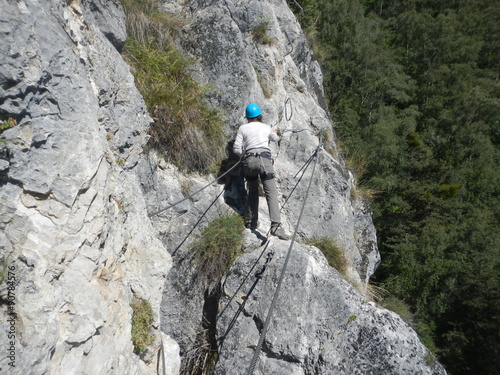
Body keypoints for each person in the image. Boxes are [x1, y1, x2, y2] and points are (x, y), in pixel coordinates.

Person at [233, 103, 288, 240]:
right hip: (265, 161)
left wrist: (246, 154)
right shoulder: (266, 127)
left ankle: (252, 222)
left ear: (247, 117)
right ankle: (275, 226)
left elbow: (236, 149)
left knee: (252, 191)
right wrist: (273, 130)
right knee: (271, 193)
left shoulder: (242, 128)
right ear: (260, 115)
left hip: (249, 162)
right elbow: (275, 139)